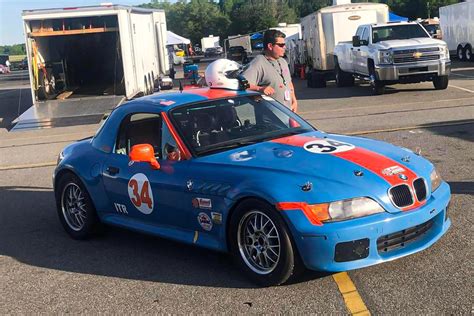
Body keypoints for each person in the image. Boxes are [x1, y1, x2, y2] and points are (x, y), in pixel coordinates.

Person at [243, 29, 297, 112]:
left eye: (284, 44)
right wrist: (260, 89)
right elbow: (242, 84)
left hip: (288, 115)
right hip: (270, 120)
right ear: (270, 46)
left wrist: (294, 100)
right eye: (281, 45)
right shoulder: (258, 63)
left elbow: (289, 83)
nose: (284, 47)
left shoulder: (283, 61)